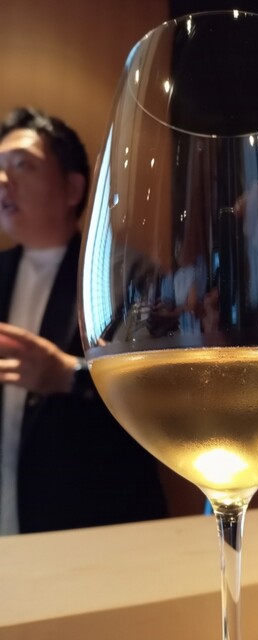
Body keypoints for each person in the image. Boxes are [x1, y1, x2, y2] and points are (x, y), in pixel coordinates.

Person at [0, 107, 167, 534]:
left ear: (73, 188)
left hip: (94, 525)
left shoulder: (126, 276)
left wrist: (70, 376)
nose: (3, 180)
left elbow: (158, 392)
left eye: (22, 165)